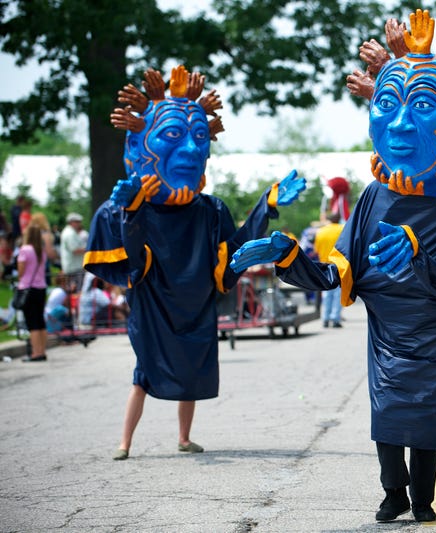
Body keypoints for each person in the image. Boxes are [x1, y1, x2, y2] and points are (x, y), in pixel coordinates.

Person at [231, 11, 436, 523]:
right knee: (390, 418)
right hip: (390, 336)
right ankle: (392, 493)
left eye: (422, 105)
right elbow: (338, 276)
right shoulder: (376, 198)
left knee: (429, 423)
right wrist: (287, 252)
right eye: (387, 103)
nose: (399, 124)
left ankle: (421, 500)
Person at [83, 66, 306, 461]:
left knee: (190, 375)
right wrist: (132, 214)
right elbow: (131, 266)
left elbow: (231, 252)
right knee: (144, 374)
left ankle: (184, 437)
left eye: (199, 136)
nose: (190, 149)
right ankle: (125, 443)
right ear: (137, 145)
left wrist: (265, 204)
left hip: (195, 307)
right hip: (153, 309)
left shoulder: (208, 210)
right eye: (172, 135)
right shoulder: (118, 211)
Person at [16, 219, 49, 362]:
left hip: (28, 288)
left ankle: (36, 353)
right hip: (41, 287)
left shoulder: (25, 249)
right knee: (40, 321)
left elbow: (21, 272)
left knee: (32, 322)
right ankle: (42, 350)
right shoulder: (41, 251)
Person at [313, 212, 344, 327]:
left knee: (326, 294)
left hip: (324, 265)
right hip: (339, 265)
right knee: (338, 294)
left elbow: (316, 250)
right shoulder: (343, 229)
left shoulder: (321, 231)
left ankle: (325, 318)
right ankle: (335, 318)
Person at [60, 212, 88, 282]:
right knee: (76, 291)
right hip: (74, 269)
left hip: (74, 268)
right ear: (71, 222)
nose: (79, 223)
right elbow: (75, 250)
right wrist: (89, 249)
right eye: (77, 222)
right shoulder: (70, 233)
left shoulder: (71, 232)